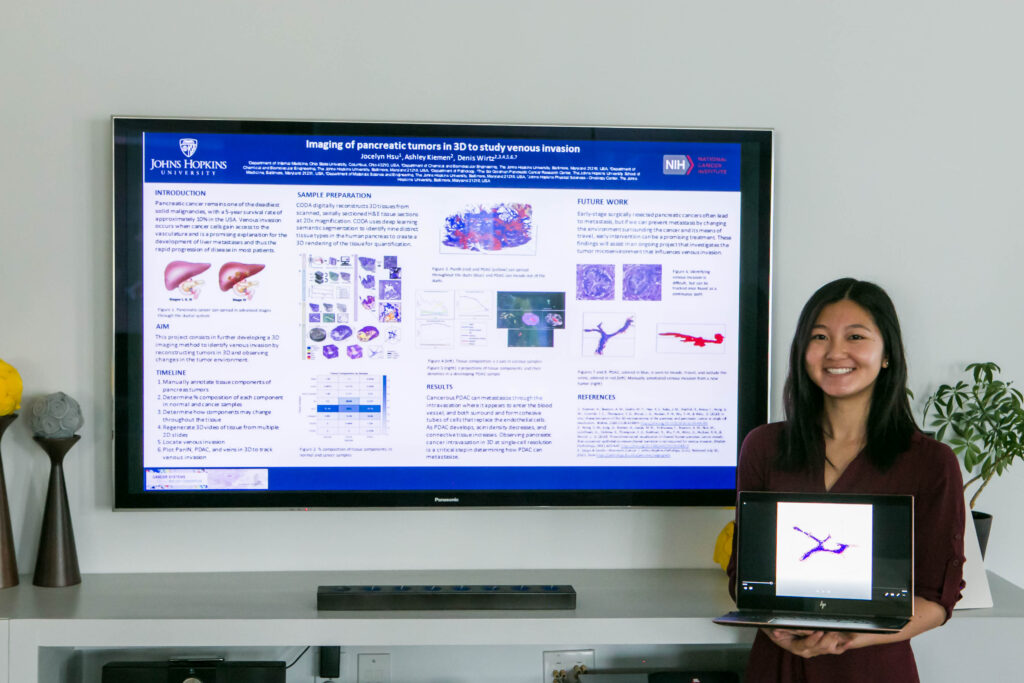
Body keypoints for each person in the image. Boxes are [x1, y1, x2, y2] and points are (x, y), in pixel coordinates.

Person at [727, 278, 965, 683]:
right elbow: (745, 580)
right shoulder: (763, 447)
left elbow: (936, 599)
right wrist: (777, 631)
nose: (835, 352)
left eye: (855, 336)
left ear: (887, 354)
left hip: (873, 668)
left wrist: (847, 639)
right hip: (778, 665)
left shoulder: (930, 462)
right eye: (819, 337)